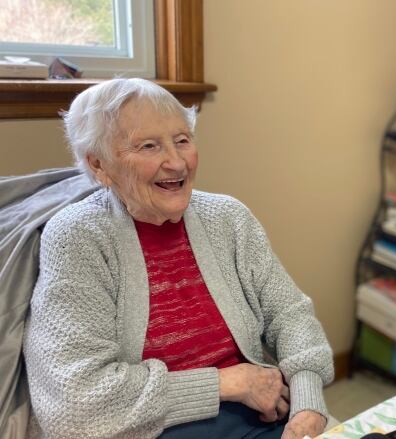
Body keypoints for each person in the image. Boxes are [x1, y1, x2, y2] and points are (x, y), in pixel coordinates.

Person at [22, 78, 334, 439]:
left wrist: (308, 407)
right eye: (149, 146)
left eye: (182, 140)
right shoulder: (77, 236)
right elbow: (76, 402)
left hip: (257, 415)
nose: (176, 162)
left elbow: (290, 314)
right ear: (99, 166)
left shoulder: (228, 218)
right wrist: (225, 383)